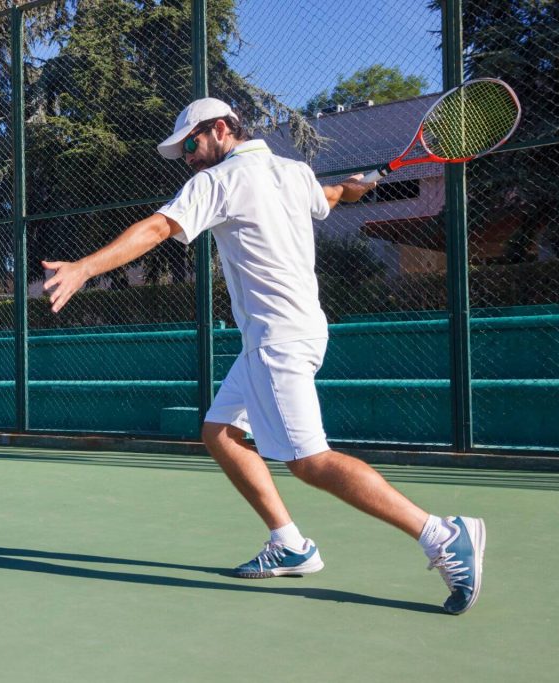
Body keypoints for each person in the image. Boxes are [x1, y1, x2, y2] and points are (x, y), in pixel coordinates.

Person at [42, 97, 485, 615]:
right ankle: (289, 542)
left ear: (221, 128)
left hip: (277, 339)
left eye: (191, 143)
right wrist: (353, 188)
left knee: (309, 462)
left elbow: (159, 228)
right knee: (221, 432)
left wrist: (84, 269)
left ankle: (440, 534)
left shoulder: (217, 182)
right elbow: (331, 194)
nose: (188, 156)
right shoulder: (294, 172)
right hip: (294, 333)